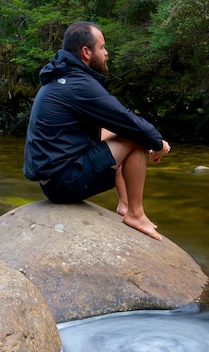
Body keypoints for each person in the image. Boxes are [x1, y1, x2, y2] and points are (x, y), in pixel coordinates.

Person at [23, 21, 170, 241]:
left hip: (54, 181)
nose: (107, 53)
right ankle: (136, 214)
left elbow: (113, 124)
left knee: (112, 132)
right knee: (137, 138)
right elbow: (126, 119)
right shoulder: (77, 83)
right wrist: (157, 143)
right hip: (65, 183)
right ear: (86, 52)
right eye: (102, 47)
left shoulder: (61, 78)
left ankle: (125, 205)